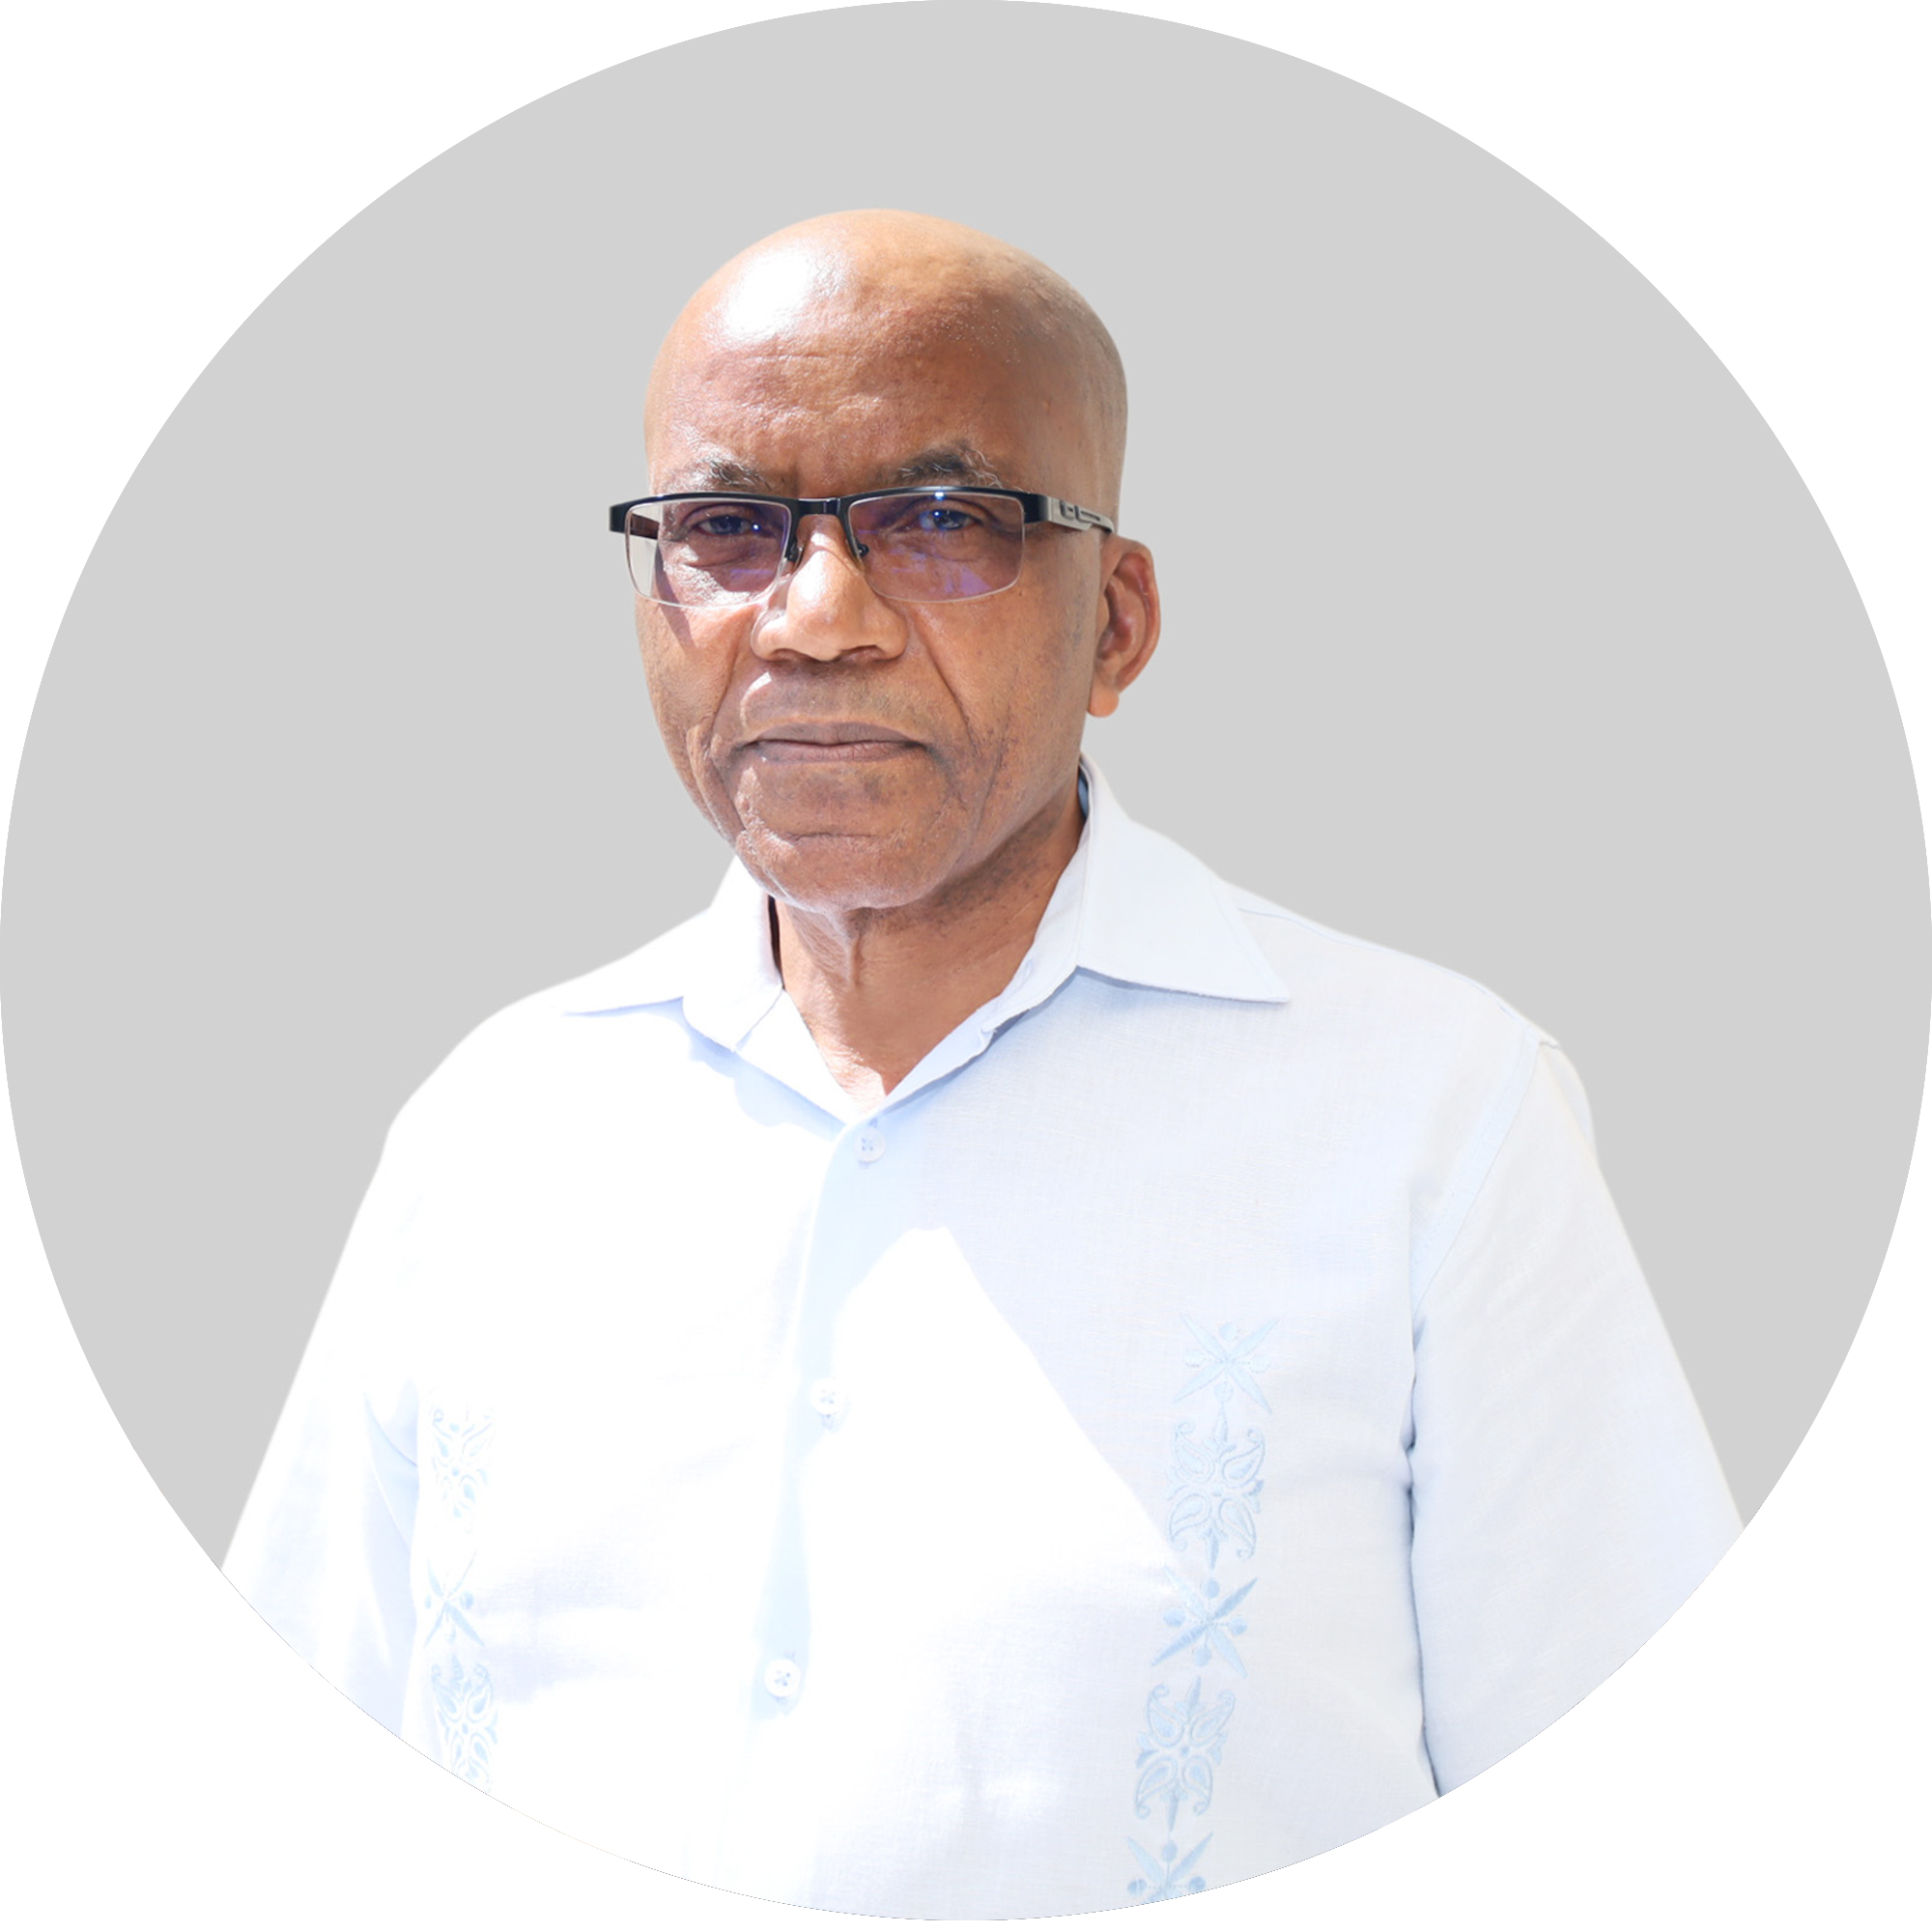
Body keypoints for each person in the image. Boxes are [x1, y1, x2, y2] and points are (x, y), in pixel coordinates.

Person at [225, 210, 1741, 1918]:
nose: (814, 617)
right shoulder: (495, 1132)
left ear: (1119, 623)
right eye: (726, 530)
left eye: (942, 523)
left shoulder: (1431, 1118)